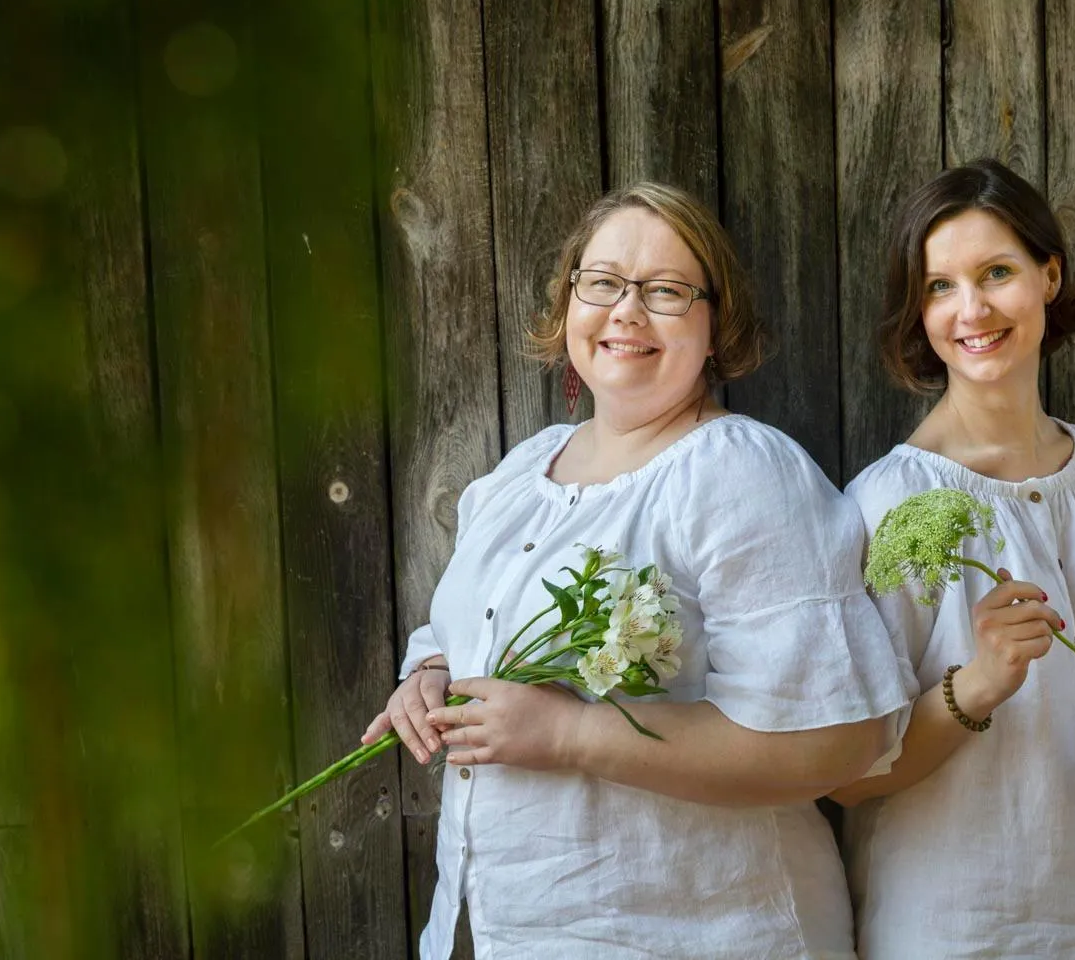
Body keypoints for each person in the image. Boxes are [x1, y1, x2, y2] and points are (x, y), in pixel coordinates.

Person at [361, 181, 909, 959]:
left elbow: (840, 738)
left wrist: (572, 734)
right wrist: (433, 674)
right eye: (604, 282)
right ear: (568, 303)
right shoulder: (522, 473)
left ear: (716, 325)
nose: (626, 310)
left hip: (699, 932)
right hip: (510, 929)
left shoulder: (742, 474)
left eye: (665, 291)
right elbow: (460, 629)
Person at [831, 160, 1075, 960]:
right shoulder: (884, 505)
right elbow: (846, 775)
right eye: (939, 286)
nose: (970, 309)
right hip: (967, 935)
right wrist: (978, 684)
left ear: (1049, 275)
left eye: (996, 272)